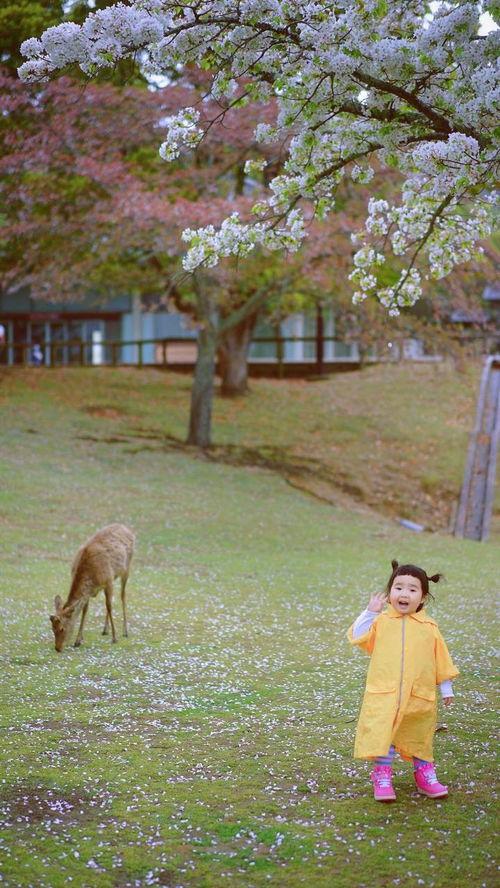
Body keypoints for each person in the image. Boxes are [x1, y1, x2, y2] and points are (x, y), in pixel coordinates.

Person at [347, 559, 459, 802]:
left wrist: (446, 687)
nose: (404, 593)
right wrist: (370, 612)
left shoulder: (429, 627)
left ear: (423, 598)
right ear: (390, 594)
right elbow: (357, 636)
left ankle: (424, 775)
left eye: (412, 589)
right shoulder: (381, 622)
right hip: (384, 693)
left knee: (418, 734)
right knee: (384, 732)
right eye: (398, 588)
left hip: (418, 695)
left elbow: (441, 658)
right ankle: (382, 775)